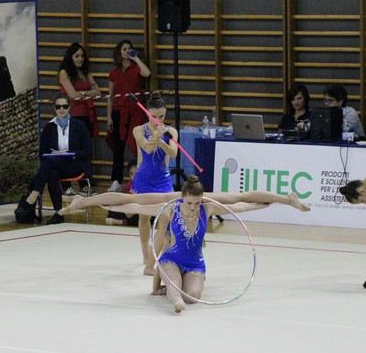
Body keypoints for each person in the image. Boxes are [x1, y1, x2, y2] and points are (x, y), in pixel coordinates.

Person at [61, 178, 310, 313]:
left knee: (239, 197)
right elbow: (131, 206)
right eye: (190, 203)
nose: (193, 207)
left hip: (194, 261)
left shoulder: (207, 205)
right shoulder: (171, 206)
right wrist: (98, 205)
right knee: (131, 198)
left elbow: (241, 203)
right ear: (184, 199)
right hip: (167, 210)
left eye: (197, 203)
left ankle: (287, 199)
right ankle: (83, 201)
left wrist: (275, 203)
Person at [15, 94, 92, 225]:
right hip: (56, 165)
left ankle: (34, 192)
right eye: (58, 107)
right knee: (52, 172)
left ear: (69, 107)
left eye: (65, 106)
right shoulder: (49, 127)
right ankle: (58, 212)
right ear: (54, 108)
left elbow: (88, 152)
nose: (61, 109)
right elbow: (42, 153)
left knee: (50, 163)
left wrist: (70, 153)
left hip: (75, 164)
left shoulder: (79, 126)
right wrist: (55, 154)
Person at [132, 92, 178, 275]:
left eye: (162, 116)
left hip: (163, 179)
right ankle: (145, 255)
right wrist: (155, 138)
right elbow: (147, 148)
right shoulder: (138, 130)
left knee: (165, 218)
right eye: (154, 116)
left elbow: (173, 153)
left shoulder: (171, 131)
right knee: (144, 217)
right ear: (147, 114)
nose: (158, 119)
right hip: (144, 178)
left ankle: (156, 257)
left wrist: (162, 139)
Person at [106, 40, 151, 192]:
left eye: (129, 49)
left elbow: (147, 73)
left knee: (137, 145)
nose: (127, 51)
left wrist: (136, 58)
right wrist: (109, 116)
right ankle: (116, 180)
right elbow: (111, 95)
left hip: (136, 112)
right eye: (124, 49)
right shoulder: (114, 72)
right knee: (118, 148)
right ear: (119, 52)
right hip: (119, 112)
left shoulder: (136, 67)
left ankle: (140, 178)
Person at [58, 42, 99, 139]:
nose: (80, 59)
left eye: (82, 56)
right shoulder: (64, 73)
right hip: (73, 116)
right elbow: (73, 95)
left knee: (87, 147)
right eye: (77, 56)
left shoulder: (86, 73)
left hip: (88, 114)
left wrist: (82, 93)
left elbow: (98, 91)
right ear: (70, 57)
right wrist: (88, 94)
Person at [105, 160, 139, 226]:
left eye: (137, 174)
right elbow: (125, 201)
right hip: (129, 209)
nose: (134, 177)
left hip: (140, 209)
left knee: (145, 216)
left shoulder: (146, 185)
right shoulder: (129, 185)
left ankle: (122, 222)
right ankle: (124, 221)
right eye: (131, 174)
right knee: (112, 210)